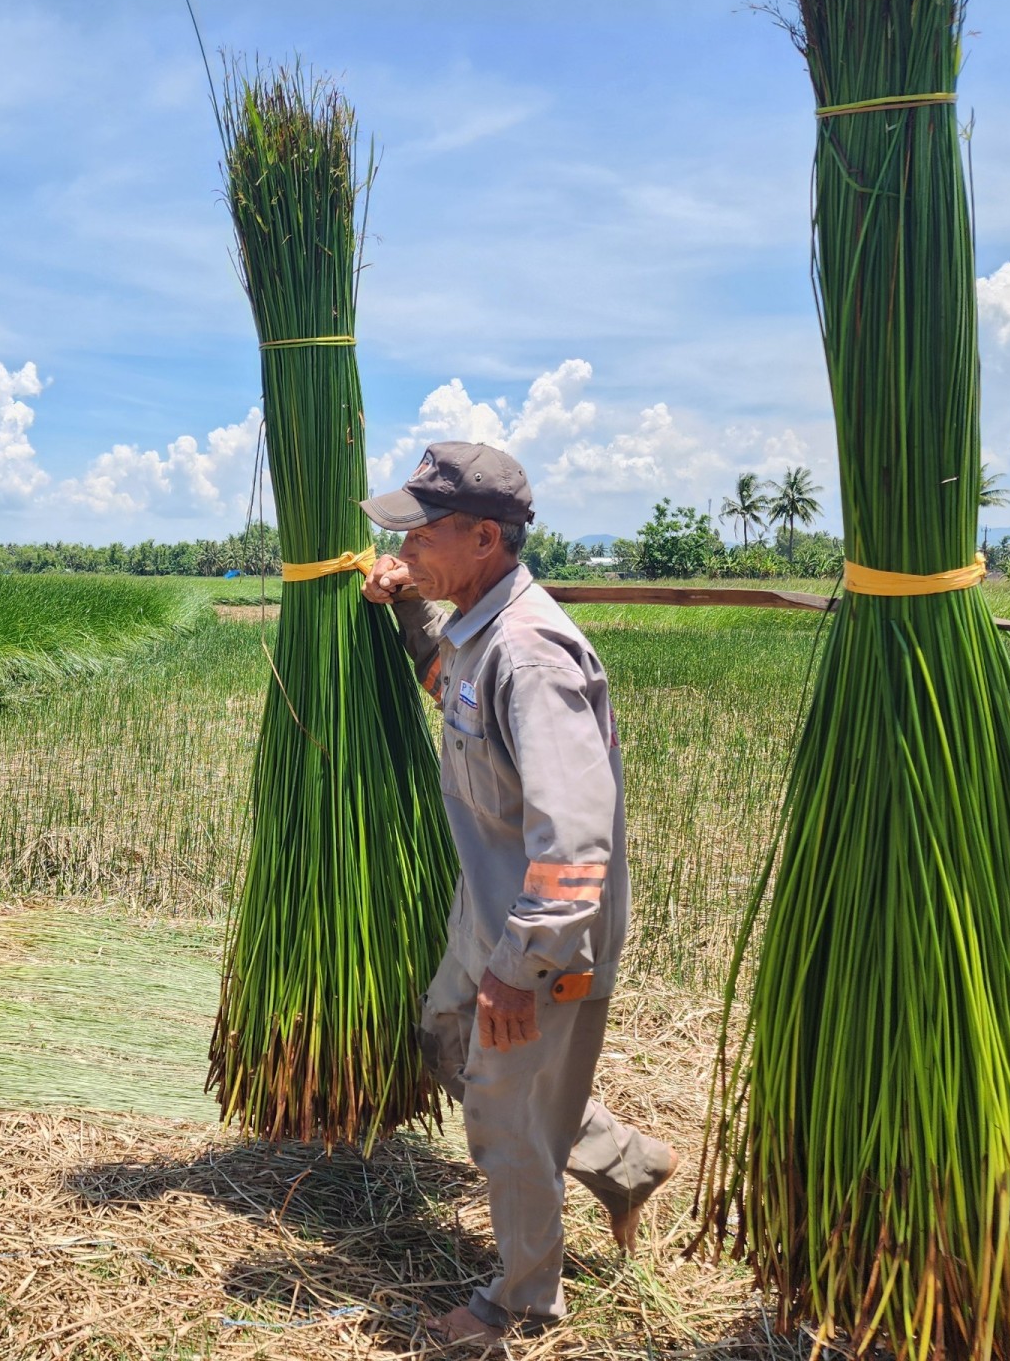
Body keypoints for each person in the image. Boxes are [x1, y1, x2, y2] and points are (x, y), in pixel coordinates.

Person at [357, 441, 677, 1348]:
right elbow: (451, 694)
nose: (406, 547)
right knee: (449, 1036)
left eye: (423, 535)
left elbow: (577, 836)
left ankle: (522, 1301)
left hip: (540, 927)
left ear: (485, 538)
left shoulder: (533, 658)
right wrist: (410, 606)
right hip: (489, 902)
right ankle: (623, 1160)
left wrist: (521, 965)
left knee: (502, 1116)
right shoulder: (479, 633)